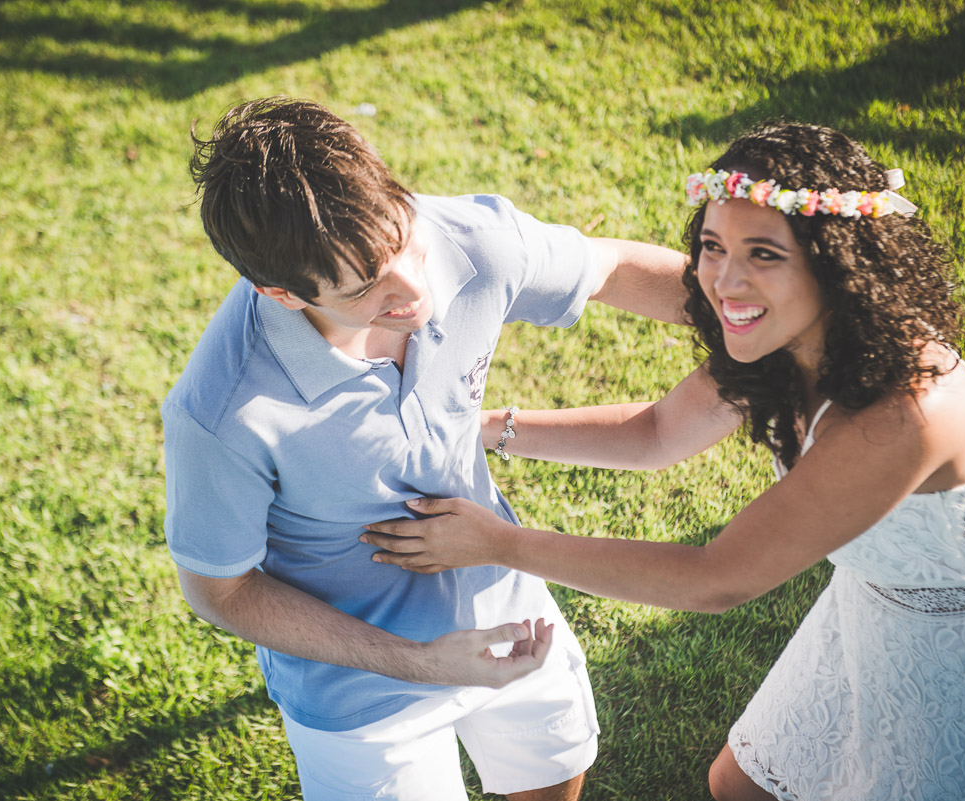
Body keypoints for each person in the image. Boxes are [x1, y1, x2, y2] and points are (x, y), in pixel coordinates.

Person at [361, 122, 965, 800]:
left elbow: (715, 578)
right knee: (739, 785)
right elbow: (654, 432)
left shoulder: (906, 416)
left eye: (763, 253)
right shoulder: (786, 336)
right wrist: (480, 427)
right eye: (711, 245)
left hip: (963, 652)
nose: (723, 281)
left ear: (837, 261)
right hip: (866, 608)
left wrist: (497, 542)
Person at [162, 96, 691, 800]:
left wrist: (789, 314)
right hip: (360, 697)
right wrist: (418, 660)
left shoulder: (469, 239)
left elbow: (615, 269)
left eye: (403, 242)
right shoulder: (221, 414)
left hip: (508, 607)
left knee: (552, 780)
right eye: (366, 287)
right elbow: (220, 592)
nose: (416, 290)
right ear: (282, 294)